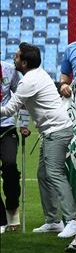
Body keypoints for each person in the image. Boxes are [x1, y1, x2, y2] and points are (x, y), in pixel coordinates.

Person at [1, 43, 76, 235]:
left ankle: (72, 220)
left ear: (24, 62)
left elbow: (10, 109)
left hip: (56, 131)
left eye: (17, 57)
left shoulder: (28, 82)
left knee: (54, 174)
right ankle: (53, 220)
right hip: (53, 130)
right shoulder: (38, 74)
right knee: (44, 175)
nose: (14, 59)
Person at [1, 59, 29, 233]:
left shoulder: (10, 70)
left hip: (6, 125)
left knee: (10, 165)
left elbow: (22, 98)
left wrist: (24, 123)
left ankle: (12, 208)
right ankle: (0, 219)